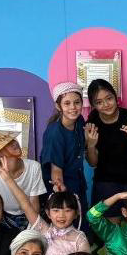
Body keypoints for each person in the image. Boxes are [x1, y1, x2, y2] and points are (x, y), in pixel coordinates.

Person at [0, 162, 89, 255]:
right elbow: (25, 204)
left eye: (68, 210)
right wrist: (8, 179)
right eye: (56, 210)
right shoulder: (43, 229)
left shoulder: (79, 239)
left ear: (76, 213)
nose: (61, 215)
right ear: (48, 213)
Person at [84, 78, 127, 223]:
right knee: (111, 230)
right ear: (93, 105)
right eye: (99, 102)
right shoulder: (92, 122)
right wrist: (91, 145)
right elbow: (93, 163)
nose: (106, 104)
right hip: (106, 184)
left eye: (109, 98)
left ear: (115, 96)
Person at [42, 82, 89, 230]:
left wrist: (91, 141)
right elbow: (56, 170)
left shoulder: (79, 121)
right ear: (58, 106)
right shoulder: (55, 133)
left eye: (77, 102)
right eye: (67, 103)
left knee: (81, 227)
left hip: (78, 183)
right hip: (62, 188)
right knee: (66, 230)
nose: (73, 107)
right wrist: (61, 189)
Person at [0, 130, 47, 229]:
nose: (14, 143)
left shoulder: (34, 166)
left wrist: (30, 231)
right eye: (7, 143)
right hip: (3, 217)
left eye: (13, 139)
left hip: (30, 215)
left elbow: (34, 205)